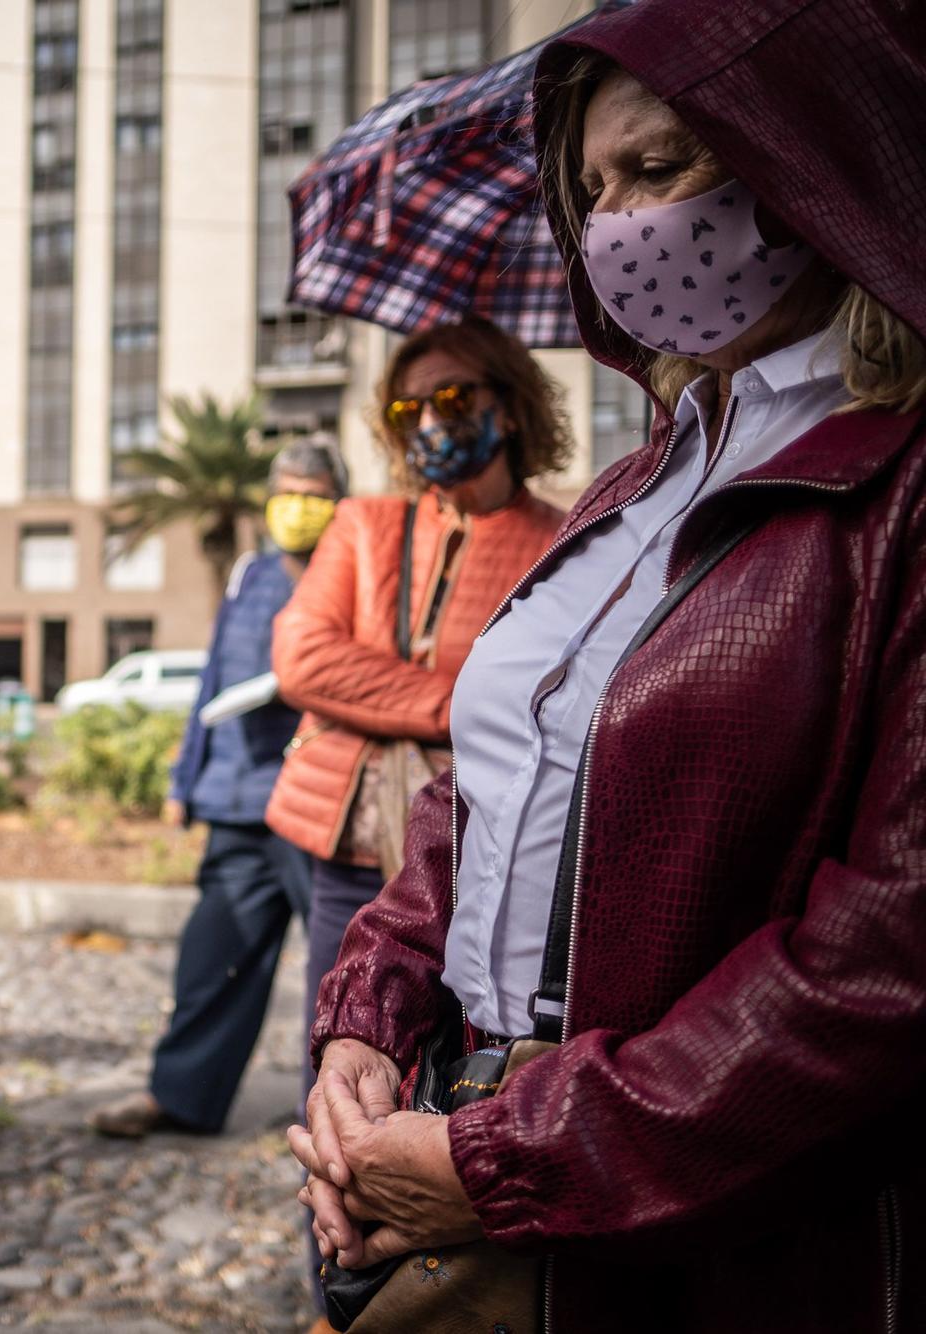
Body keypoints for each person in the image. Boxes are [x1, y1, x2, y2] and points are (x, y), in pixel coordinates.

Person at [290, 1, 926, 1329]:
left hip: (721, 1225)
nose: (620, 221)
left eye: (660, 168)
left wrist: (520, 1156)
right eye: (590, 189)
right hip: (476, 1133)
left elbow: (887, 958)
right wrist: (370, 1019)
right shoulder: (638, 483)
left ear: (799, 160)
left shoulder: (903, 482)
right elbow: (483, 791)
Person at [262, 318, 565, 1310]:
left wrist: (389, 688)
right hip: (348, 849)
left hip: (478, 861)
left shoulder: (559, 540)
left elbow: (545, 698)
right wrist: (452, 701)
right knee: (343, 1075)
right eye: (408, 407)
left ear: (509, 406)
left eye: (454, 398)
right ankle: (342, 1291)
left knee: (454, 1088)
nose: (430, 421)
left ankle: (435, 1294)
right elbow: (303, 658)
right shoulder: (362, 524)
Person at [89, 438, 347, 1140]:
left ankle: (341, 1117)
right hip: (237, 799)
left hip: (318, 799)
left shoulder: (355, 574)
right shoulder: (247, 576)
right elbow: (212, 683)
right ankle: (182, 1096)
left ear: (338, 503)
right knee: (212, 956)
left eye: (314, 493)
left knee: (343, 971)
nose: (298, 507)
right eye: (287, 491)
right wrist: (185, 778)